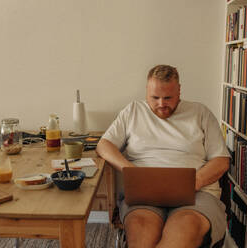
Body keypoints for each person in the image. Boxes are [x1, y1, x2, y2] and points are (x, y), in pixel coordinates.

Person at [96, 65, 230, 248]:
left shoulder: (200, 112)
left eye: (168, 98)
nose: (161, 104)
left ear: (179, 90)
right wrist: (130, 170)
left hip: (197, 193)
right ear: (146, 91)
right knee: (141, 232)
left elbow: (221, 160)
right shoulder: (133, 111)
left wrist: (195, 181)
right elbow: (104, 145)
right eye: (155, 97)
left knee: (185, 229)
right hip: (145, 193)